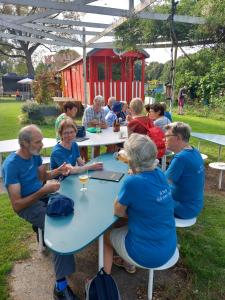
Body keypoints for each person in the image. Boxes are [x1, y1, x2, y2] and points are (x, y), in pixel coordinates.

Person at [2, 125, 78, 300]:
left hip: (43, 195)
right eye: (38, 141)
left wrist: (57, 172)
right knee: (59, 230)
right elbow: (17, 205)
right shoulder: (11, 166)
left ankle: (47, 236)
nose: (42, 144)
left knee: (72, 206)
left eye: (42, 140)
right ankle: (60, 286)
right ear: (24, 143)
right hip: (28, 205)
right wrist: (43, 191)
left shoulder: (34, 155)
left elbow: (41, 178)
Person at [104, 133, 177, 274]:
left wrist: (129, 181)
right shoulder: (160, 173)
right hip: (168, 245)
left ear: (131, 159)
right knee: (127, 222)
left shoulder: (133, 182)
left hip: (146, 255)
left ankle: (103, 279)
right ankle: (127, 263)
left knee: (105, 236)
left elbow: (117, 211)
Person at [164, 122, 205, 219]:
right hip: (195, 205)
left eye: (167, 136)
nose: (164, 139)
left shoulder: (181, 158)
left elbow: (162, 183)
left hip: (183, 208)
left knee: (144, 197)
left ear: (178, 137)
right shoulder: (194, 151)